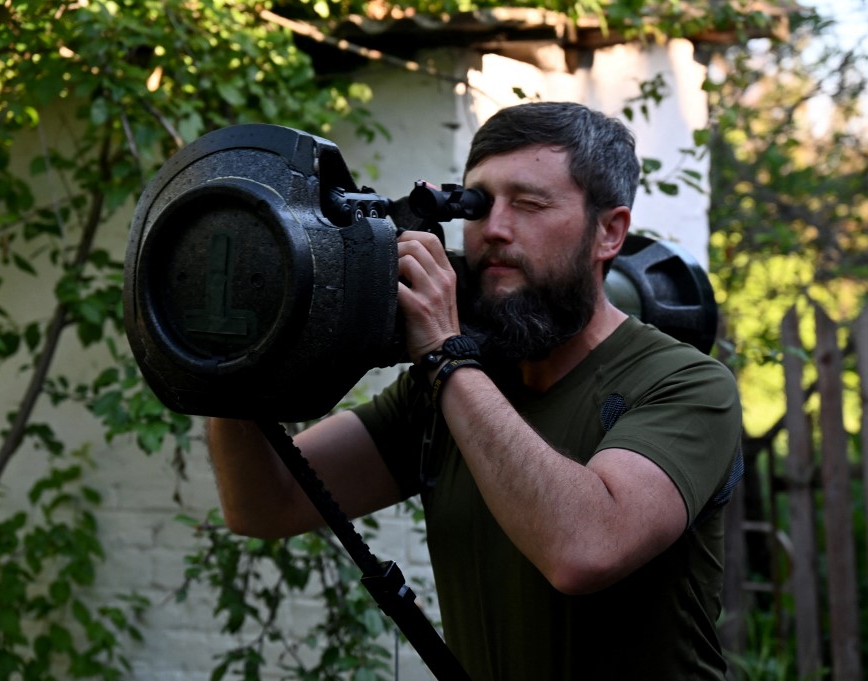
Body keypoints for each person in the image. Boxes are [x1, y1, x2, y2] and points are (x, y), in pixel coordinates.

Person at [206, 101, 743, 680]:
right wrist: (240, 354)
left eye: (530, 204)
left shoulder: (686, 385)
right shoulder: (450, 389)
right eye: (479, 204)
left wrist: (444, 354)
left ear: (608, 232)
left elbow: (584, 549)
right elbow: (266, 503)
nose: (494, 229)